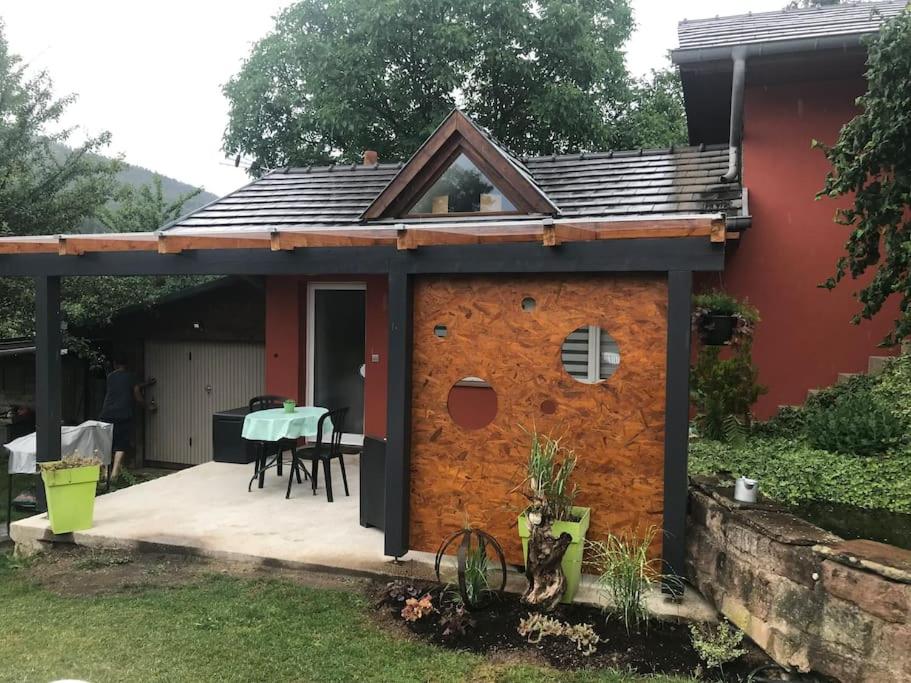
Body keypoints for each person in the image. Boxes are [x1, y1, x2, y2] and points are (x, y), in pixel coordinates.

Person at [99, 356, 154, 481]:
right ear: (127, 365)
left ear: (115, 364)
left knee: (106, 443)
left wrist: (145, 384)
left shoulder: (110, 377)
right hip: (123, 414)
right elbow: (136, 392)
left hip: (107, 413)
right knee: (121, 444)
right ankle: (114, 474)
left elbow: (125, 385)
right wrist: (147, 406)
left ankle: (104, 474)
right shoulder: (131, 376)